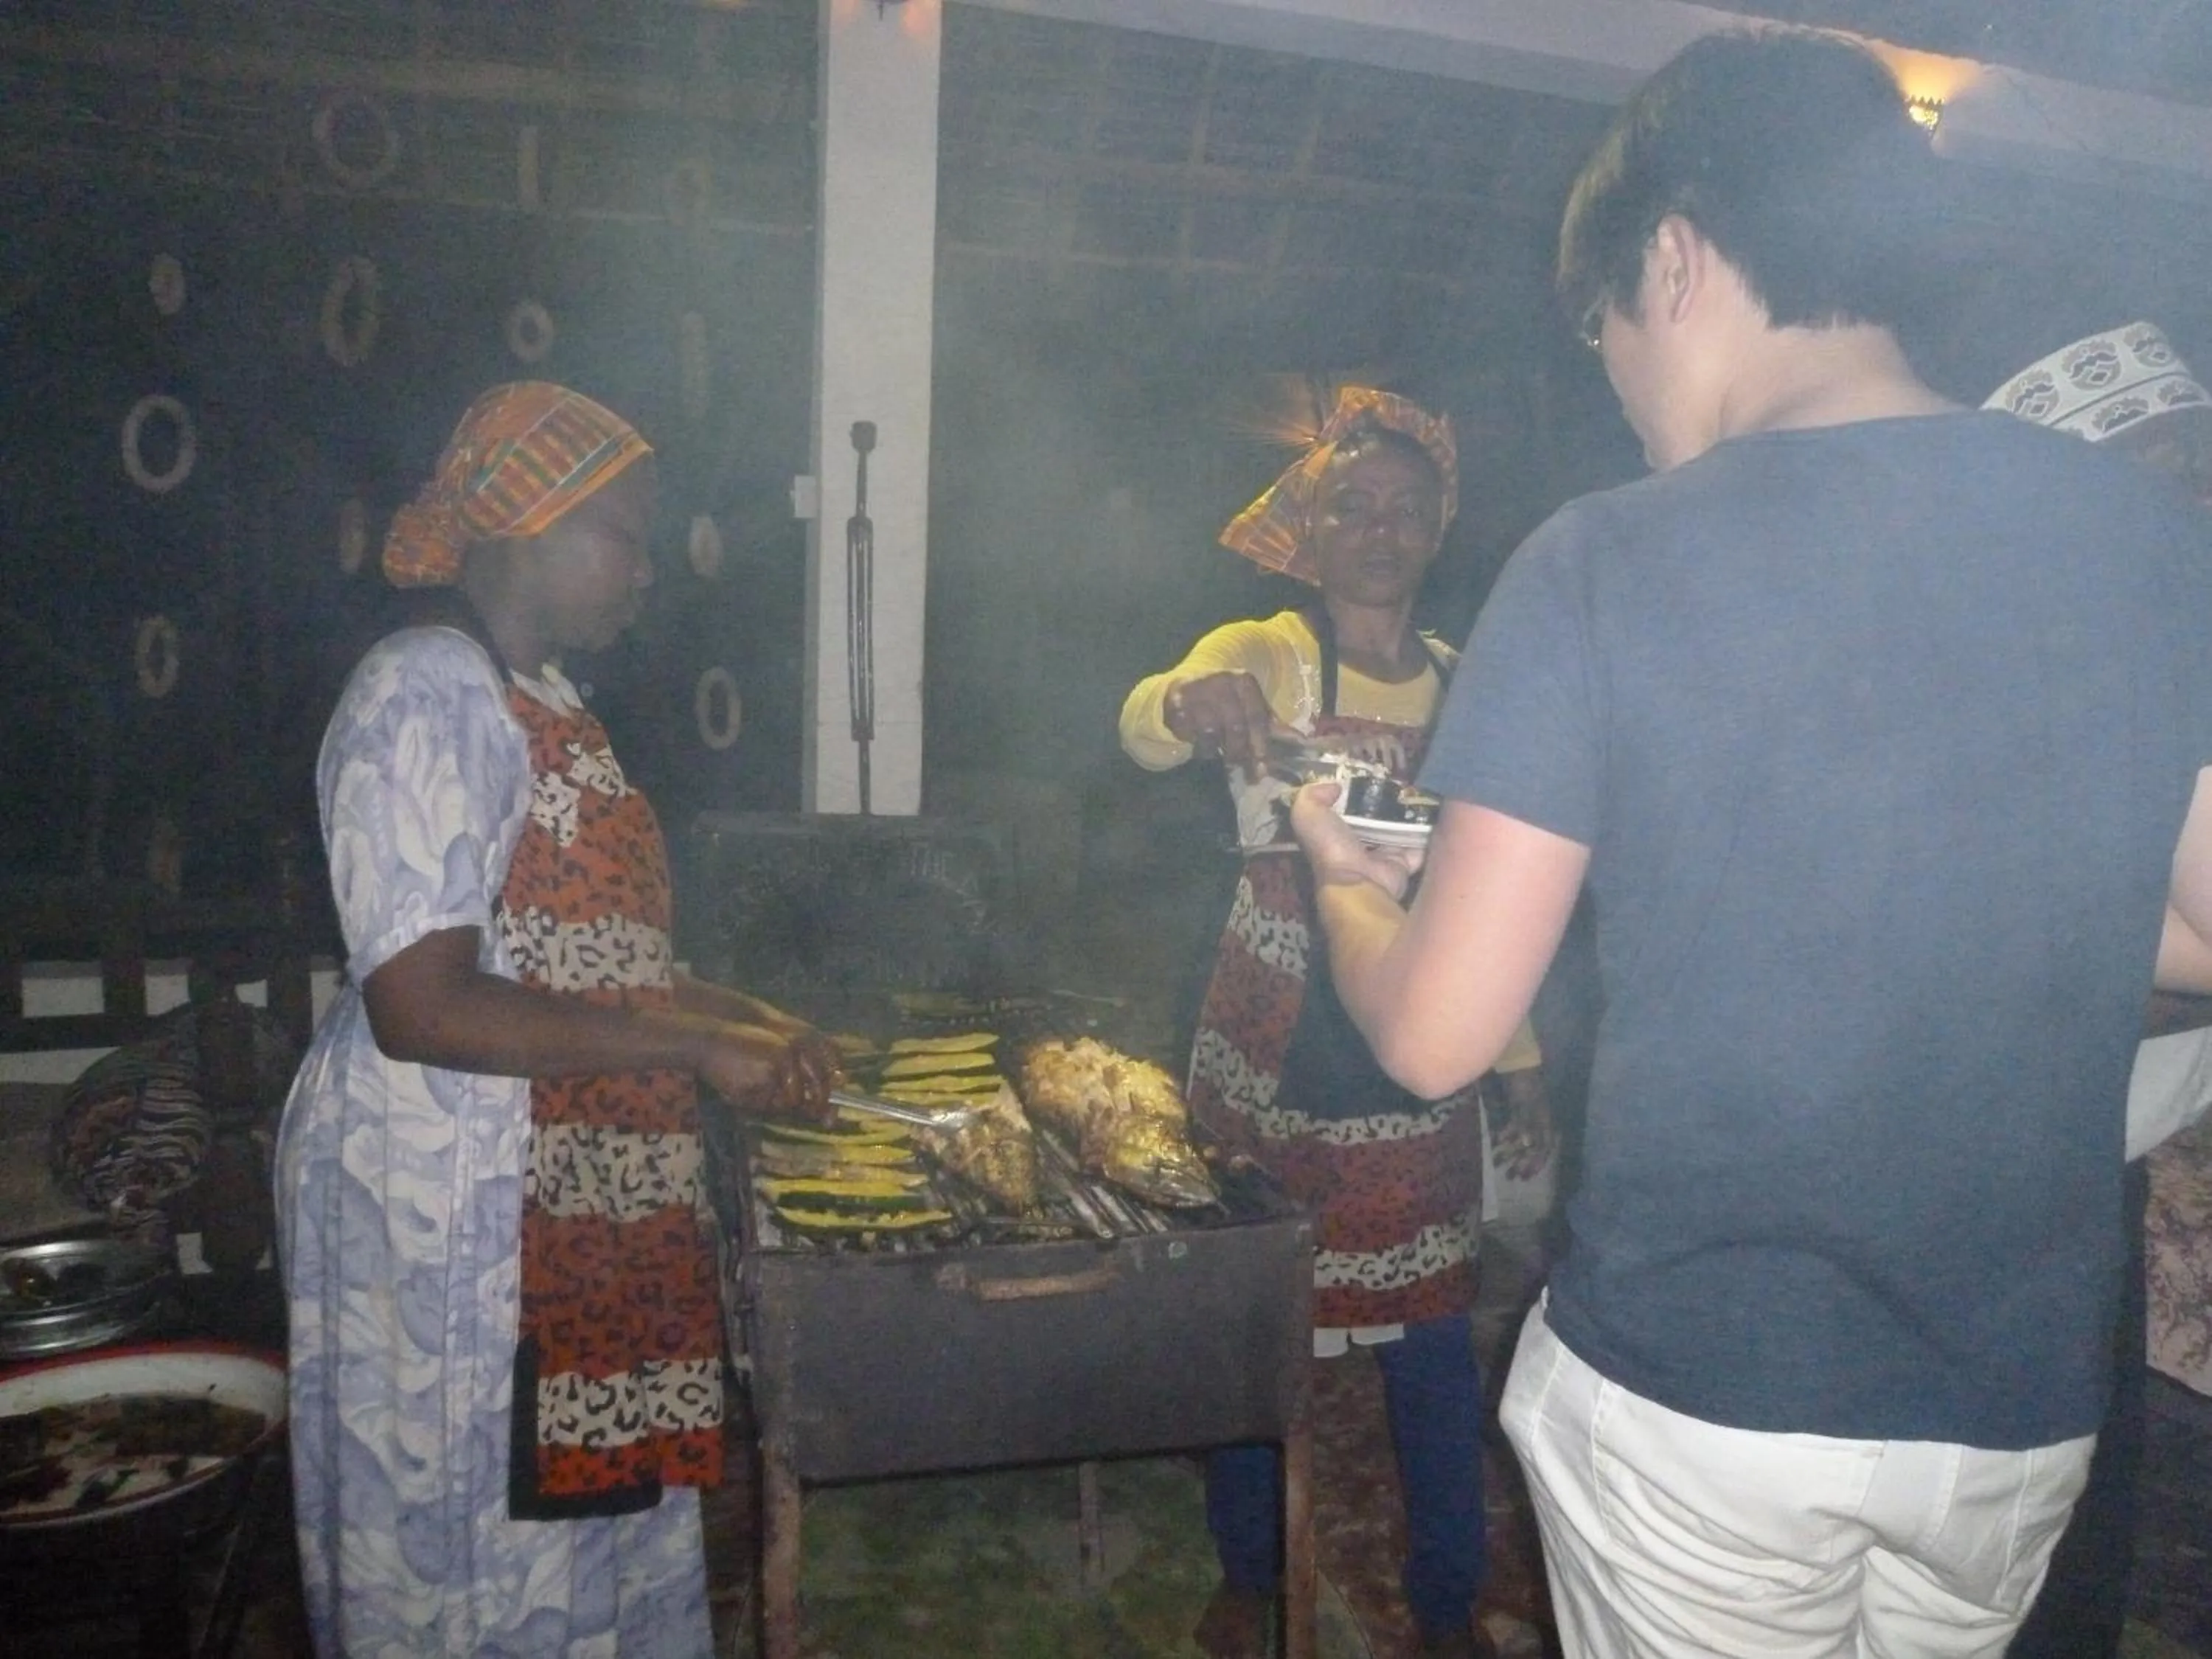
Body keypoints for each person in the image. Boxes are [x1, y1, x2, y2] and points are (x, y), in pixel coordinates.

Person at [1284, 30, 2212, 1659]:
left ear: (1677, 255)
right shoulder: (2138, 532)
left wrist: (1346, 888)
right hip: (2007, 1416)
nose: (1613, 376)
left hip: (1707, 1389)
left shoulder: (1603, 563)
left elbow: (1439, 1034)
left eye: (1602, 327)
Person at [276, 382, 841, 1657]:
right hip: (458, 1209)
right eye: (625, 534)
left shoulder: (554, 705)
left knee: (584, 1549)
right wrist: (698, 1048)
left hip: (574, 1212)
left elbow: (605, 962)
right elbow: (423, 1002)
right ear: (524, 522)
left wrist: (757, 1017)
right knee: (477, 1555)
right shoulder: (422, 690)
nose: (648, 569)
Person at [1119, 388, 1552, 1659]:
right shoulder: (1267, 650)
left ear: (1438, 531)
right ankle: (1254, 1575)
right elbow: (1150, 717)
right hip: (1266, 1054)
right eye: (1351, 505)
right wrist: (1184, 704)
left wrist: (1519, 1067)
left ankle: (1447, 1596)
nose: (1378, 528)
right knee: (1264, 1339)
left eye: (1405, 510)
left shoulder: (1476, 687)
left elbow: (1499, 894)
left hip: (1417, 1057)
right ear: (1307, 529)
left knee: (1429, 1348)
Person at [1986, 321, 2212, 1658]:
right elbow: (2021, 966)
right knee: (2023, 1524)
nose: (2192, 503)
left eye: (2195, 467)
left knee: (2086, 1523)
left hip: (2105, 1171)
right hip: (2015, 1174)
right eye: (2160, 467)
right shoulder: (2025, 684)